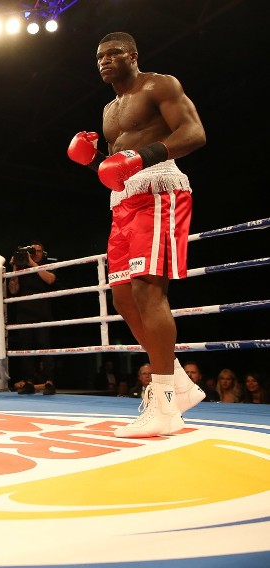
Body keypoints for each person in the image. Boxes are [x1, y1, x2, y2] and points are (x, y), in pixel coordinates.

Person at [67, 32, 207, 438]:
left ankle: (164, 404)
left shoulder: (159, 84)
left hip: (160, 189)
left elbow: (194, 133)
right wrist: (92, 160)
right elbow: (116, 170)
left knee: (149, 289)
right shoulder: (110, 109)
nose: (105, 61)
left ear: (133, 55)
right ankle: (177, 382)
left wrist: (141, 156)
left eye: (113, 53)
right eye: (99, 56)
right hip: (124, 202)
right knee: (124, 297)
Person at [7, 241, 57, 387]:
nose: (35, 253)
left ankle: (49, 380)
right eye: (32, 251)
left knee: (45, 346)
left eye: (38, 251)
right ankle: (28, 380)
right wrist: (14, 268)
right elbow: (13, 290)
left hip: (43, 314)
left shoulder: (48, 265)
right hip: (24, 313)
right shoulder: (22, 268)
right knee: (25, 348)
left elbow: (50, 279)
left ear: (43, 253)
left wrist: (31, 263)